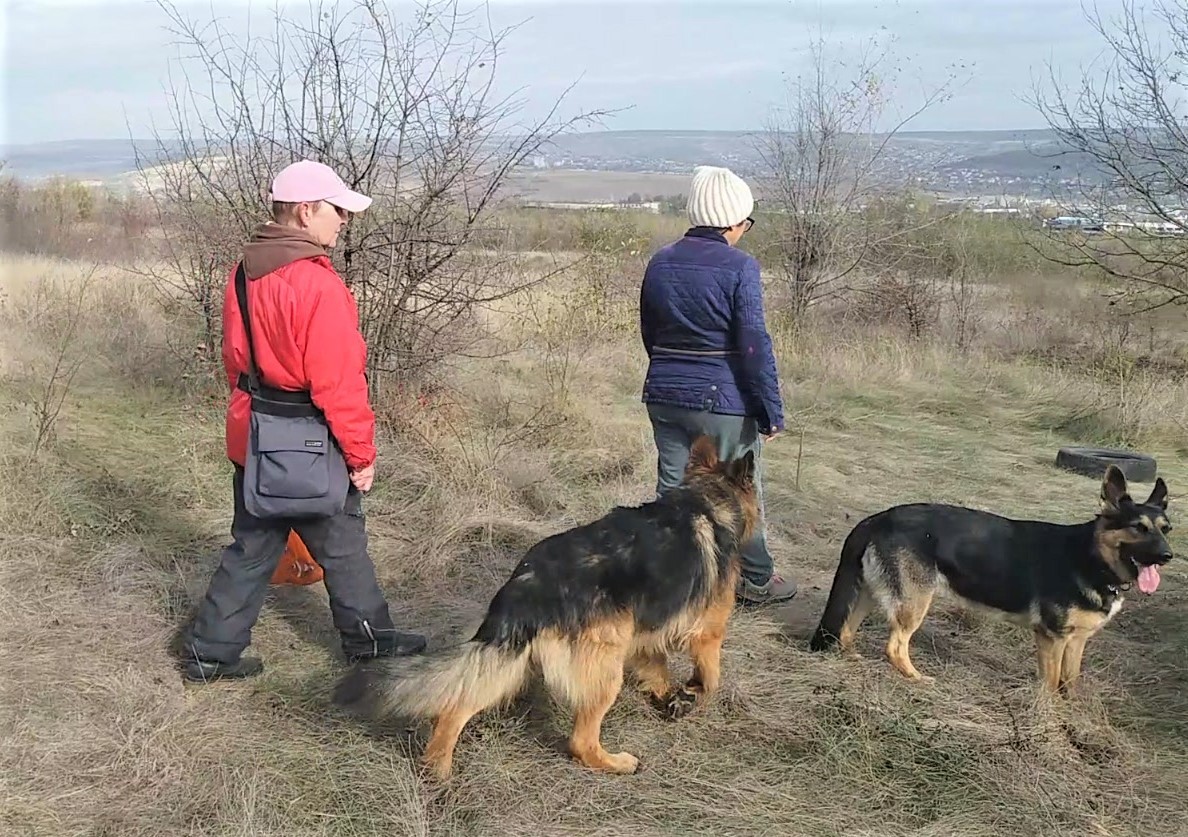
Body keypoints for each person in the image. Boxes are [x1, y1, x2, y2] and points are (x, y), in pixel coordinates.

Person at [181, 160, 427, 683]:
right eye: (336, 210)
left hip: (254, 435)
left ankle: (210, 653)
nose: (343, 220)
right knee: (342, 544)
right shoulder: (318, 286)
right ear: (305, 210)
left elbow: (234, 360)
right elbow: (339, 384)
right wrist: (360, 457)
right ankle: (372, 645)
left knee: (251, 544)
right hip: (313, 444)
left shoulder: (245, 273)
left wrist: (255, 416)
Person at [638, 164, 796, 606]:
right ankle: (758, 580)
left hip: (664, 394)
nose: (746, 230)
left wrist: (670, 373)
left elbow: (650, 331)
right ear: (732, 221)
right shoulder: (740, 267)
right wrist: (770, 408)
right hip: (721, 400)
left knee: (672, 492)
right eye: (746, 222)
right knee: (741, 490)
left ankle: (675, 582)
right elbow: (752, 343)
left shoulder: (661, 261)